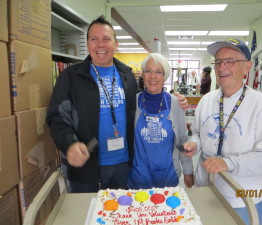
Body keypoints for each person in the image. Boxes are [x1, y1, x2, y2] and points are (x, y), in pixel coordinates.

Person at [46, 16, 188, 193]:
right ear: (88, 44)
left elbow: (145, 99)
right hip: (87, 167)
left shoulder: (126, 76)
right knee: (89, 217)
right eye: (94, 39)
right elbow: (57, 117)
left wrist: (173, 98)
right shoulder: (71, 77)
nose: (100, 44)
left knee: (121, 215)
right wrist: (70, 144)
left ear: (116, 44)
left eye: (106, 39)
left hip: (124, 166)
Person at [183, 39, 262, 225]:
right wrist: (194, 144)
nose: (222, 68)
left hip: (242, 196)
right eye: (218, 62)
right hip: (205, 188)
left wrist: (227, 163)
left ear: (246, 67)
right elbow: (197, 132)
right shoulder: (207, 100)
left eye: (230, 62)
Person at [128, 53, 194, 189]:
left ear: (165, 76)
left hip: (168, 175)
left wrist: (188, 170)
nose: (153, 76)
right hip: (139, 175)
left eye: (158, 72)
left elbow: (182, 139)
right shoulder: (133, 102)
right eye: (148, 71)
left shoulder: (176, 103)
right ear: (143, 75)